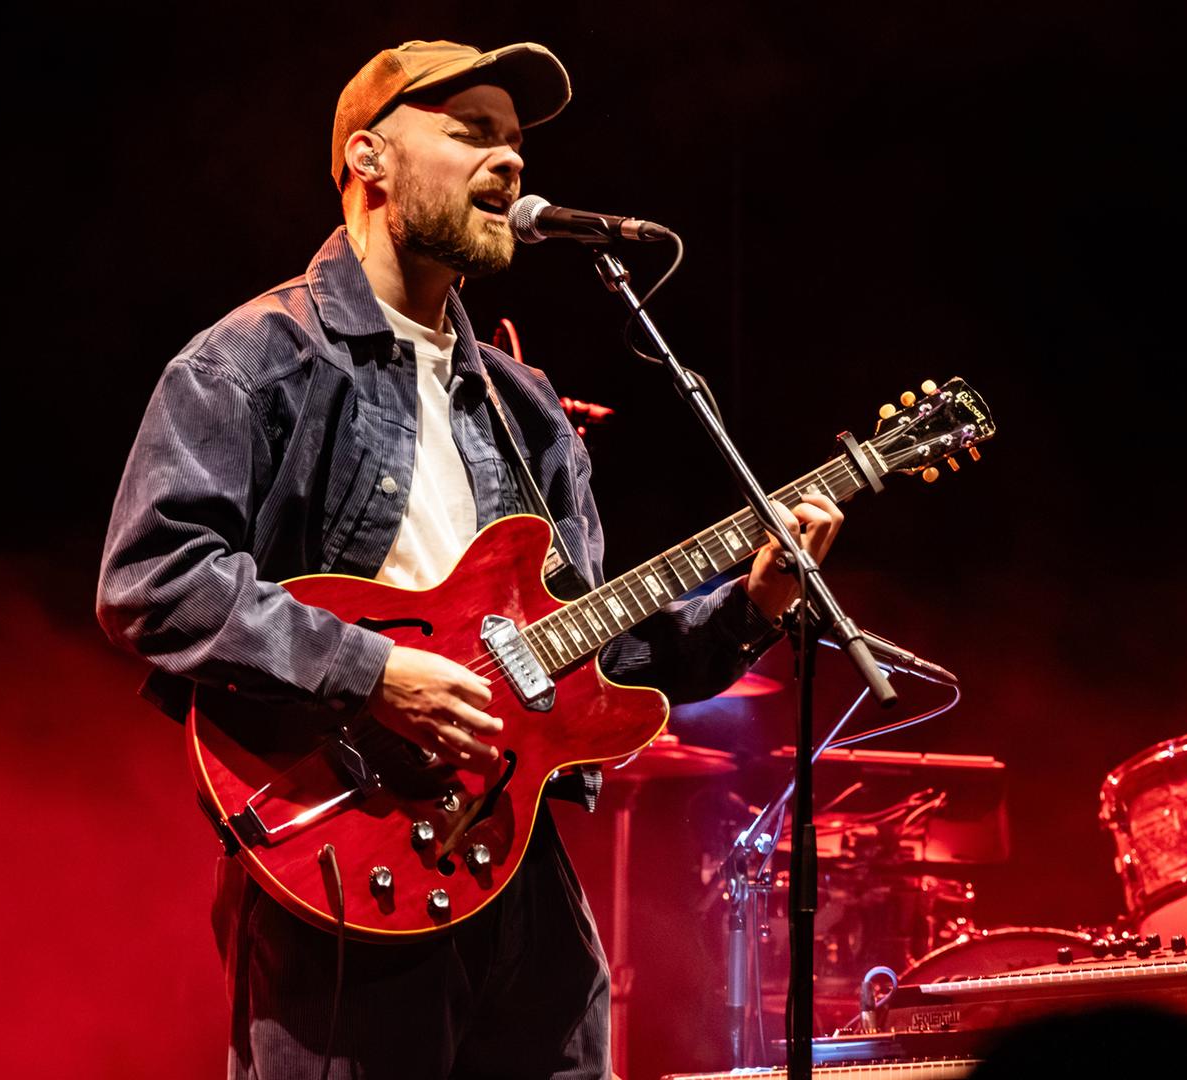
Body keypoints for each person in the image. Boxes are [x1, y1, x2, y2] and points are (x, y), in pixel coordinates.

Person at [95, 39, 843, 1079]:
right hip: (341, 848)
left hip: (511, 858)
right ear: (369, 158)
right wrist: (375, 672)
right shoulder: (252, 362)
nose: (512, 161)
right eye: (473, 132)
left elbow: (594, 655)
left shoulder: (523, 406)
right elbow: (153, 579)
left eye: (517, 141)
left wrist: (750, 604)